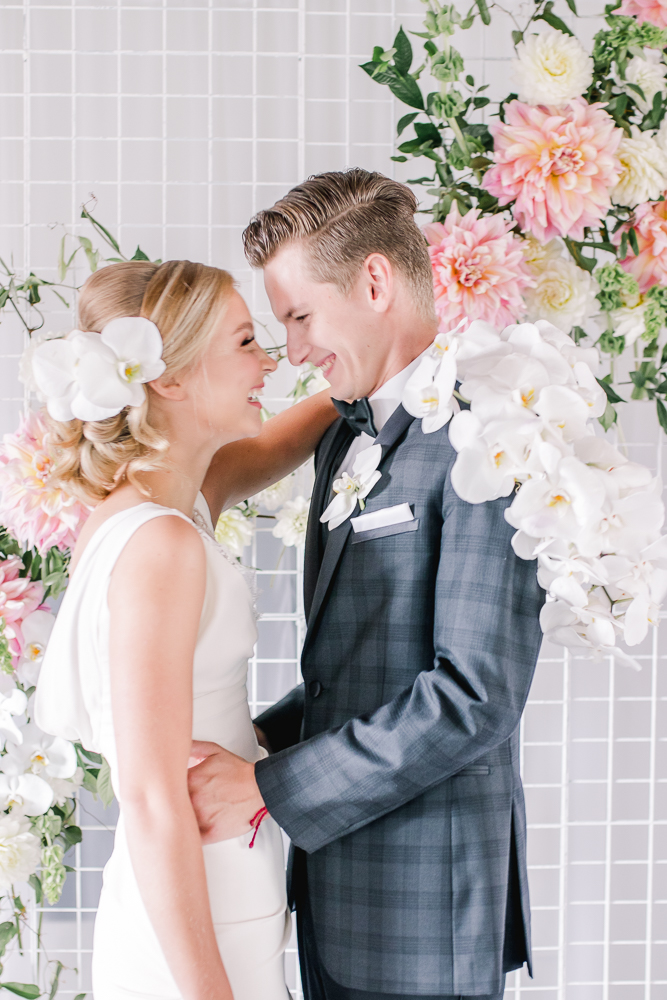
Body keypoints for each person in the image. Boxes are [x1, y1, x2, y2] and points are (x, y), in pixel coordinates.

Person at [187, 170, 546, 1000]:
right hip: (336, 894)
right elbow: (350, 676)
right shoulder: (342, 436)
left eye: (301, 316)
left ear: (374, 281)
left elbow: (473, 697)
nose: (296, 351)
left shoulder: (485, 439)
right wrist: (251, 740)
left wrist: (266, 785)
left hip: (424, 906)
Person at [34, 259, 338, 1000]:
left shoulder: (172, 505)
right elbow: (149, 797)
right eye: (243, 343)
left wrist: (384, 359)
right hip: (196, 920)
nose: (270, 360)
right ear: (168, 380)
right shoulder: (160, 546)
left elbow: (275, 445)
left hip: (231, 886)